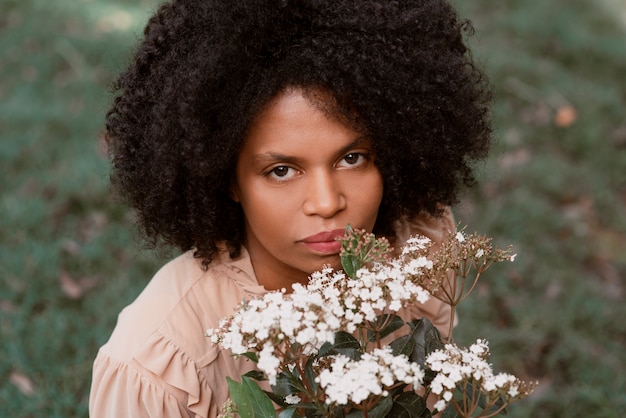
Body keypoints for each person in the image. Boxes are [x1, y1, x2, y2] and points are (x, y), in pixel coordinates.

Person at [89, 0, 492, 416]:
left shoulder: (418, 250)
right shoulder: (162, 366)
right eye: (281, 170)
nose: (326, 203)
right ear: (228, 179)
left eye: (352, 158)